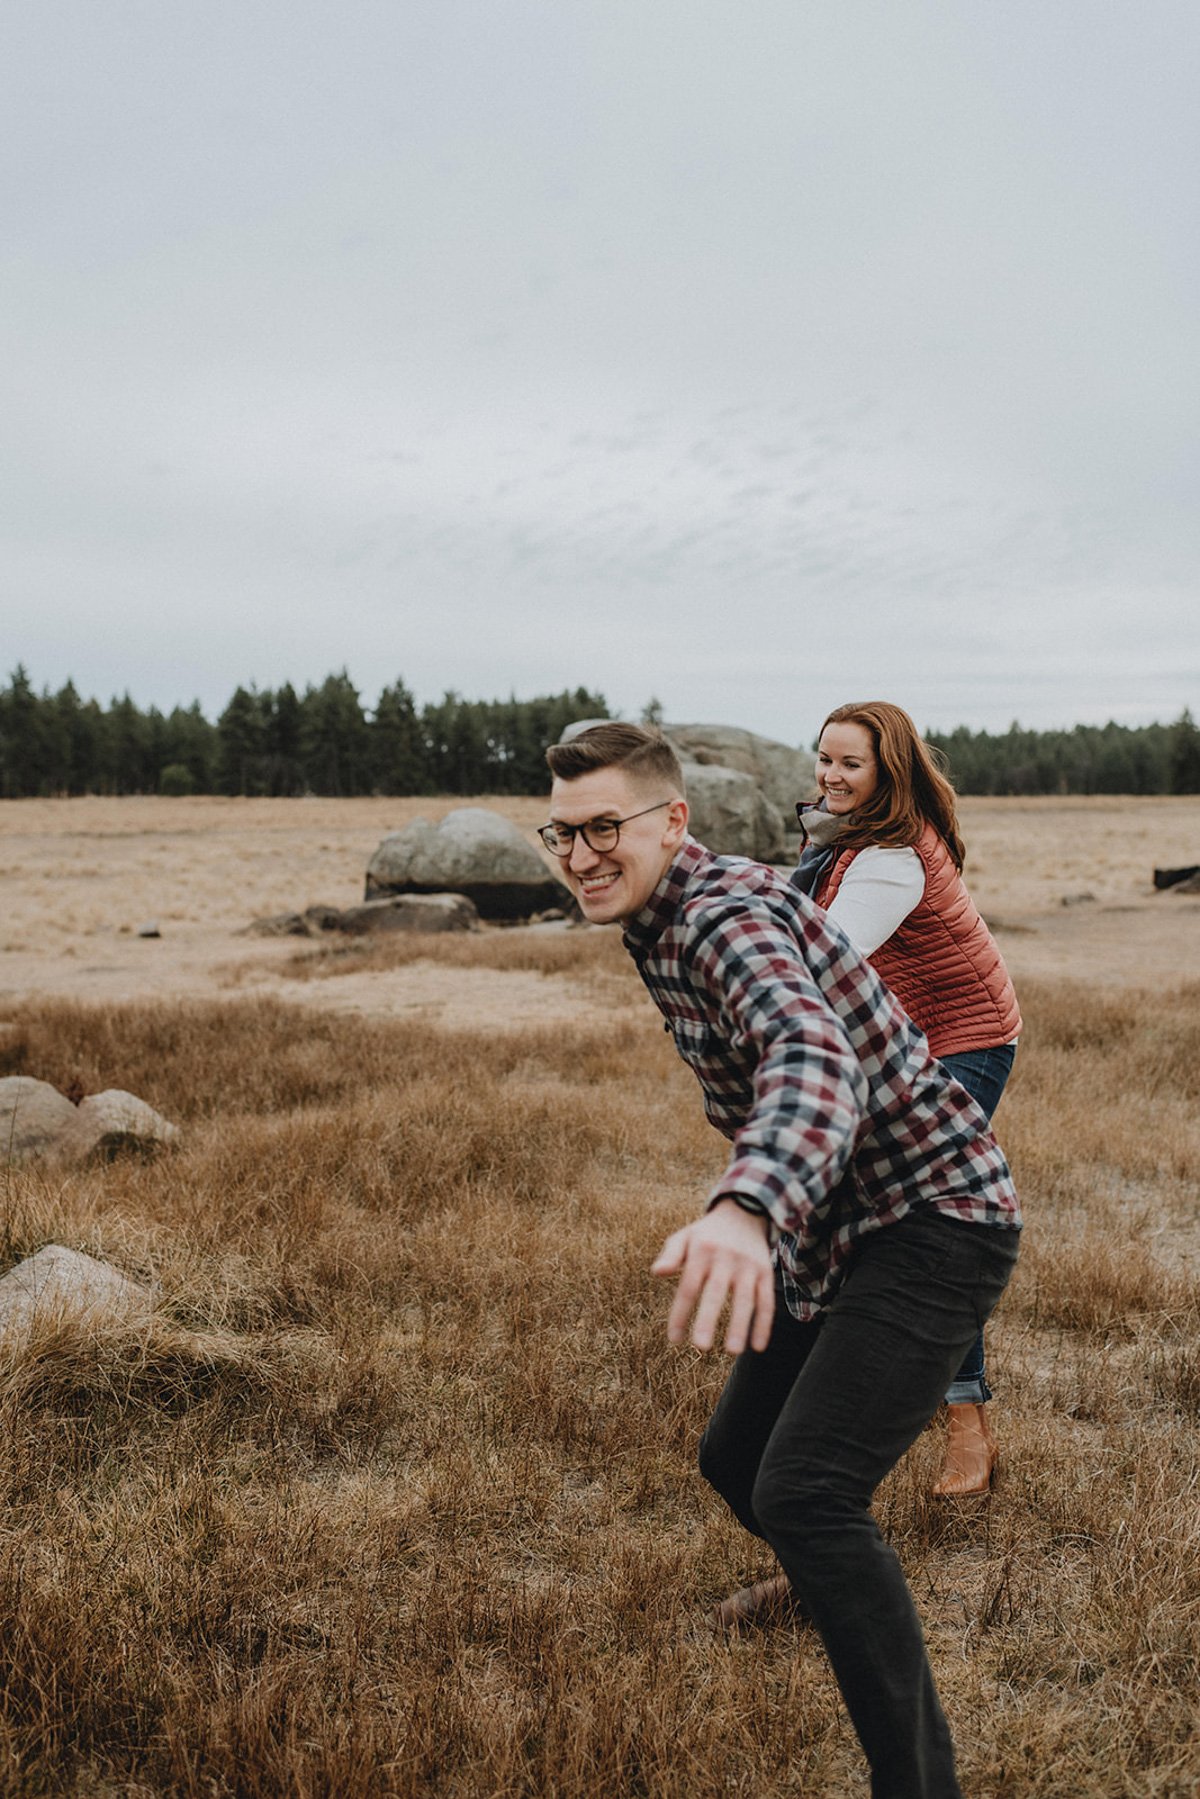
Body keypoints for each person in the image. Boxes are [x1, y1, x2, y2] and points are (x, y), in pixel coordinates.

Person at [540, 722, 1020, 1799]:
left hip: (935, 1218)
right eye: (562, 833)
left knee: (805, 1489)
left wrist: (748, 1206)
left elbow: (813, 1052)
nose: (580, 857)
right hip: (840, 1221)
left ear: (674, 820)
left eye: (603, 828)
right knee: (737, 1458)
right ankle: (833, 1577)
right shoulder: (661, 914)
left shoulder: (723, 917)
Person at [794, 701, 1021, 1500]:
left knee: (931, 1227)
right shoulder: (839, 840)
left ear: (886, 771)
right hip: (910, 1043)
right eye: (824, 758)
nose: (830, 775)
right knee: (879, 1219)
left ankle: (965, 1423)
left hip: (968, 1039)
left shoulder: (889, 854)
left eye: (850, 763)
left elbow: (822, 957)